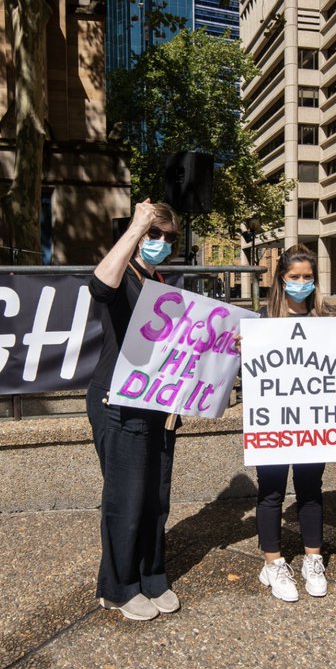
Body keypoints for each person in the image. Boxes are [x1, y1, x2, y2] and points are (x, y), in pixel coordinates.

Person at [87, 198, 181, 621]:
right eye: (153, 234)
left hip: (157, 401)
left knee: (155, 495)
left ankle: (150, 574)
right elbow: (100, 286)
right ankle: (117, 587)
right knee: (125, 497)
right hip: (117, 399)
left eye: (168, 237)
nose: (160, 242)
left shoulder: (162, 281)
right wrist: (137, 224)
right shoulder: (121, 272)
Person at [251, 244, 336, 601]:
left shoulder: (328, 322)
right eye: (294, 277)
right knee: (271, 491)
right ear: (281, 279)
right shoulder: (263, 322)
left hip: (312, 423)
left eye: (307, 278)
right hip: (275, 423)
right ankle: (273, 561)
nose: (301, 283)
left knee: (311, 488)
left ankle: (313, 558)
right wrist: (241, 348)